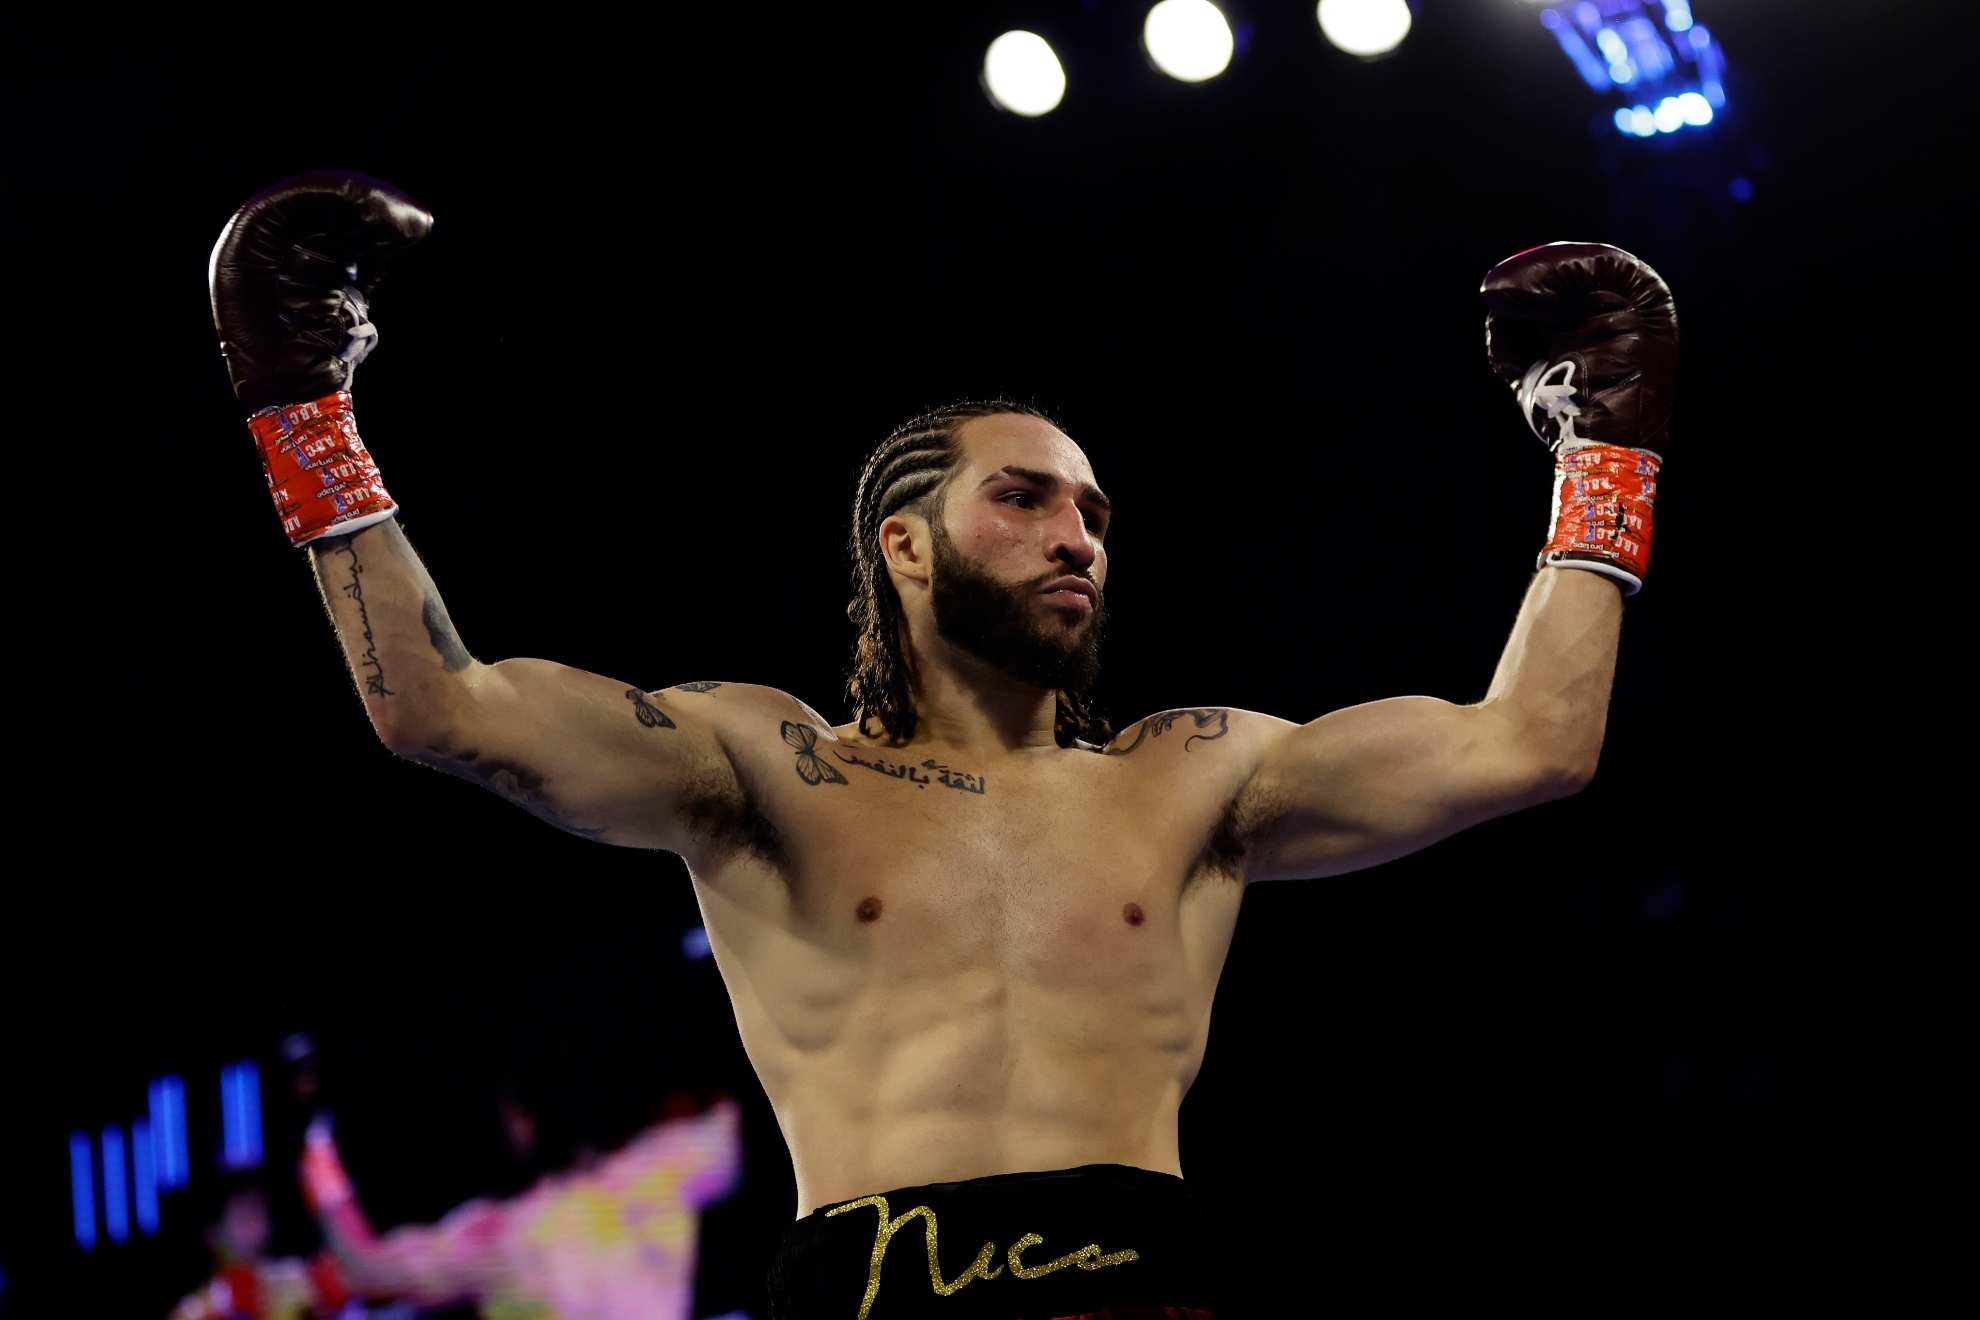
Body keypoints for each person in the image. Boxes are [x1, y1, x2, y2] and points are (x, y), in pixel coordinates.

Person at [209, 173, 1672, 1320]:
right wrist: (304, 409)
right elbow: (438, 707)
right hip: (869, 1291)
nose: (1077, 537)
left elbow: (1531, 746)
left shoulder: (1194, 776)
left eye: (1093, 513)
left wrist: (1602, 459)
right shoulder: (766, 767)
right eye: (1025, 499)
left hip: (1144, 1286)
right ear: (904, 546)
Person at [296, 1097, 741, 1320]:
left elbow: (369, 1267)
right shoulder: (667, 1169)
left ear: (520, 1124)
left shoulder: (500, 1240)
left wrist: (317, 1154)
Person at [169, 1175, 347, 1320]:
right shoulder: (196, 1308)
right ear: (213, 1233)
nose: (254, 1228)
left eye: (258, 1213)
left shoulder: (297, 1278)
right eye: (243, 1218)